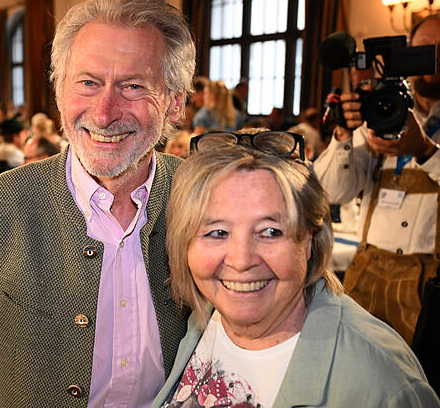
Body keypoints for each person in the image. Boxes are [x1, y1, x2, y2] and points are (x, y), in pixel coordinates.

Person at [0, 0, 194, 407]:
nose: (104, 112)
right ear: (58, 92)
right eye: (87, 82)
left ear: (175, 102)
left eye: (133, 86)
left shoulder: (202, 196)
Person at [151, 130, 438, 407]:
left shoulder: (382, 385)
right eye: (217, 232)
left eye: (271, 232)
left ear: (311, 238)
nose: (241, 261)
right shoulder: (208, 315)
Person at [313, 14, 440, 344]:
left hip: (432, 288)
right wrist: (343, 133)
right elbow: (330, 192)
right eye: (425, 48)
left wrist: (425, 151)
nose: (434, 57)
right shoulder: (377, 109)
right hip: (367, 276)